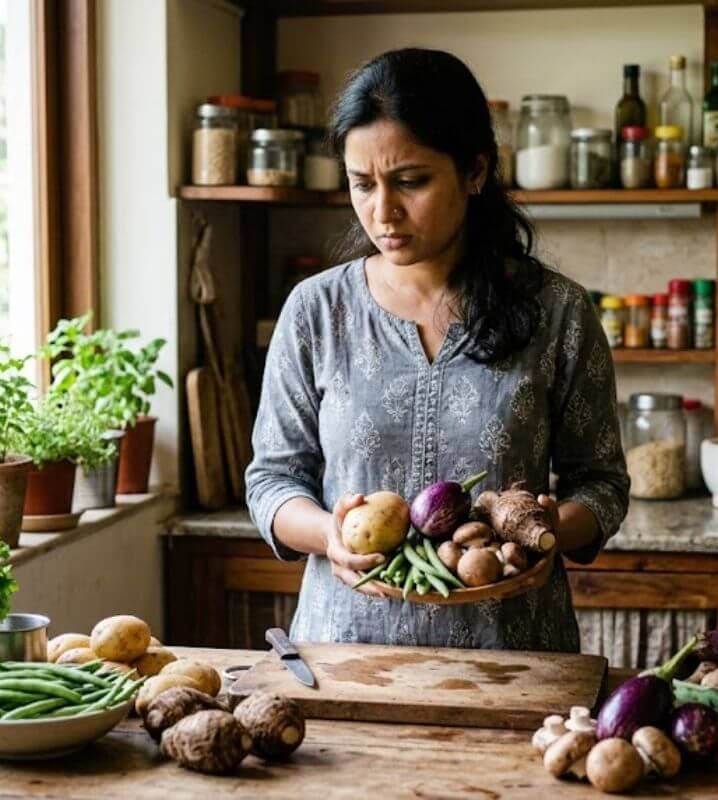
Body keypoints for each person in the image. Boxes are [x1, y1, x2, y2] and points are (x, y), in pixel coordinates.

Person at [245, 48, 629, 650]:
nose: (383, 212)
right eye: (362, 184)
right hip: (347, 651)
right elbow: (272, 479)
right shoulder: (317, 311)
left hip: (513, 654)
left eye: (410, 182)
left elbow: (602, 483)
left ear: (474, 170)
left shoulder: (557, 312)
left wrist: (547, 527)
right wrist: (329, 535)